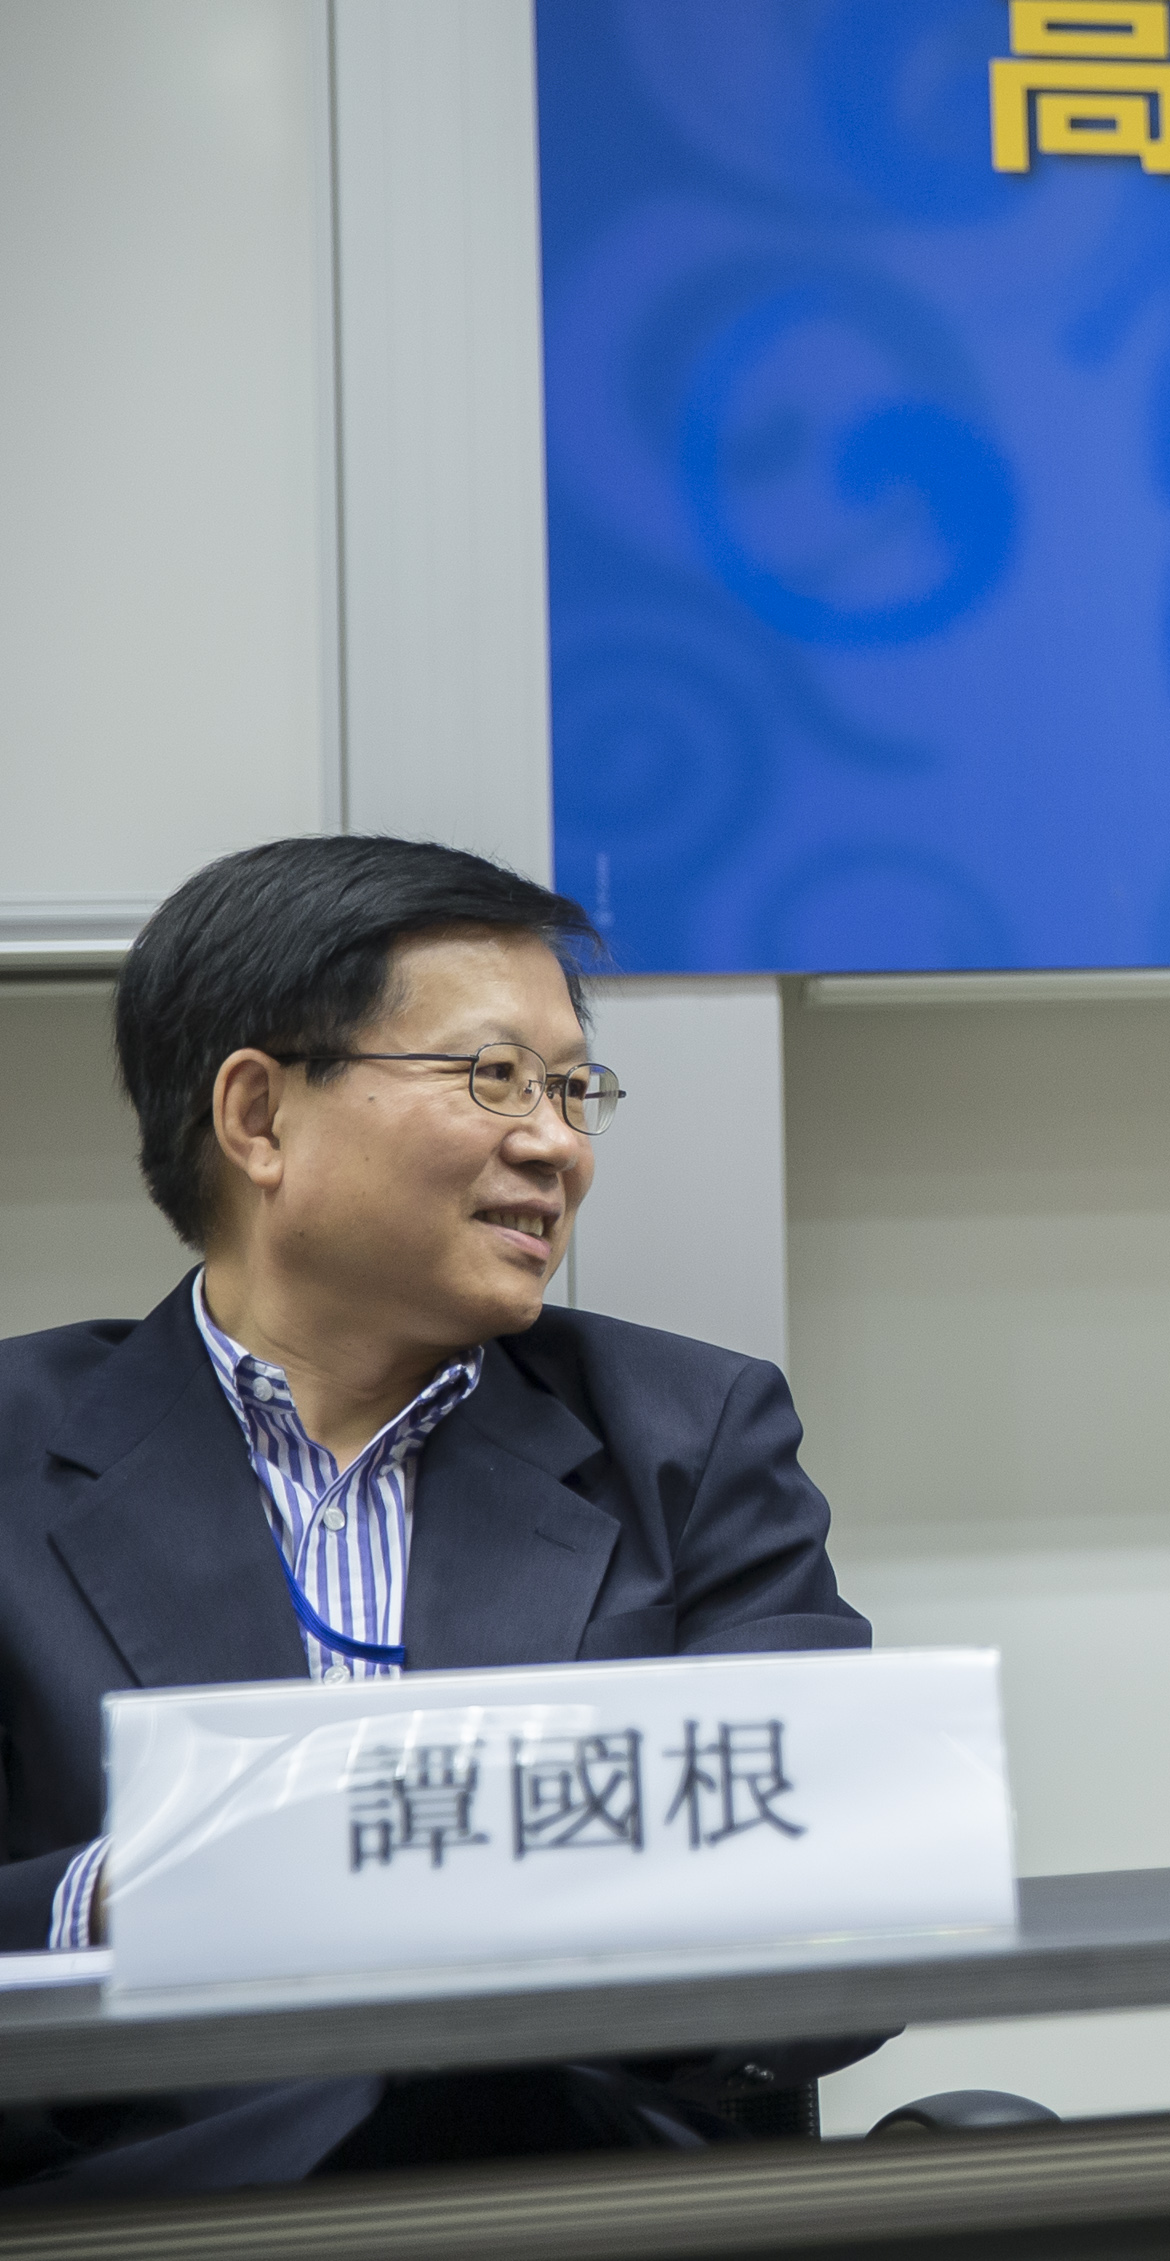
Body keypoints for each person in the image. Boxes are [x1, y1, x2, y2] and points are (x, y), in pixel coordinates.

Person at [0, 836, 875, 2198]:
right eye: (494, 1077)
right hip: (161, 2208)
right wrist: (119, 1902)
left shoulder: (688, 1437)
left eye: (576, 1090)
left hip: (564, 2192)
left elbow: (838, 1928)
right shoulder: (13, 1454)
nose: (555, 1143)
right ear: (258, 1117)